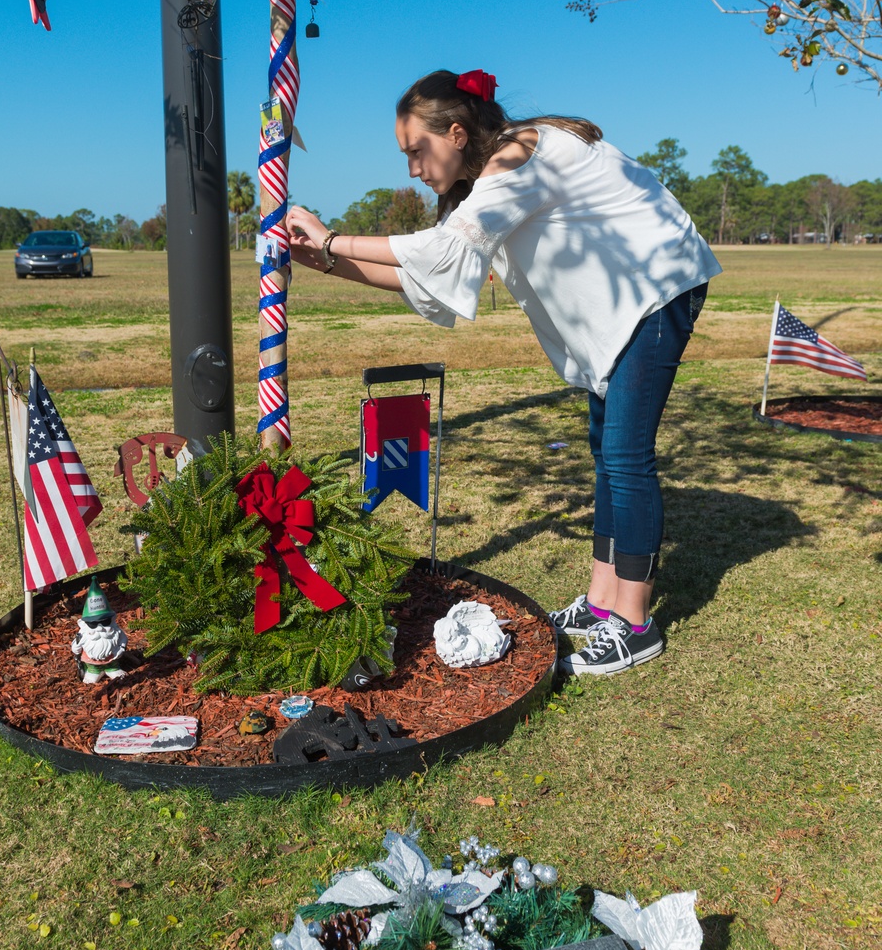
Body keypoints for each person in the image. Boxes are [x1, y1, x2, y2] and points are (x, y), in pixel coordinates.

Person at [285, 68, 721, 677]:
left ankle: (636, 621)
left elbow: (433, 251)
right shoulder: (490, 182)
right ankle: (602, 603)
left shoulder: (520, 152)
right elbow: (430, 277)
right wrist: (327, 260)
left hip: (657, 287)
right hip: (626, 299)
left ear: (458, 132)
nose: (413, 168)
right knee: (606, 452)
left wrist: (333, 238)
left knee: (626, 455)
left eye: (418, 150)